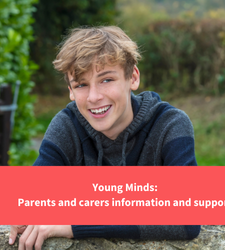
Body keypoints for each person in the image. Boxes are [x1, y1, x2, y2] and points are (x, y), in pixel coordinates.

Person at [9, 26, 200, 249]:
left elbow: (187, 220)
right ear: (70, 91)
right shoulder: (66, 125)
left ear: (133, 78)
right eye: (81, 85)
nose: (94, 97)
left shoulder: (170, 125)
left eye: (106, 80)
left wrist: (74, 224)